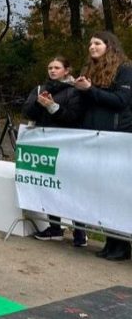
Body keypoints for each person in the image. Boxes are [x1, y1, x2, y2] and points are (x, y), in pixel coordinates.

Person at [74, 31, 132, 261]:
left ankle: (122, 245)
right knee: (103, 193)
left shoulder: (125, 69)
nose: (92, 46)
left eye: (97, 43)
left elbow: (121, 101)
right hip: (95, 137)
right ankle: (110, 241)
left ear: (110, 46)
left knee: (117, 193)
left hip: (117, 138)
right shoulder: (90, 69)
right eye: (90, 43)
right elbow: (89, 102)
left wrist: (91, 90)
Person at [21, 56, 87, 245]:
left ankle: (80, 232)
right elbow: (27, 111)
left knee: (71, 188)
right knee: (51, 186)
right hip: (44, 146)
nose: (52, 71)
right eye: (50, 67)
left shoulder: (74, 91)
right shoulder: (40, 89)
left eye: (57, 67)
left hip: (67, 147)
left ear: (66, 70)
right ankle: (54, 227)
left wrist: (52, 107)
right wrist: (38, 103)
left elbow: (73, 118)